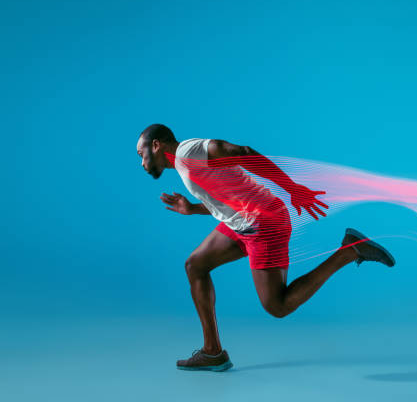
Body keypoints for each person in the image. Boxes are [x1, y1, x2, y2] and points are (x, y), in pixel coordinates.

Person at [136, 123, 396, 371]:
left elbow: (243, 152)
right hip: (241, 222)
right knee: (195, 265)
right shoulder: (185, 164)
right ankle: (212, 352)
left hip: (263, 223)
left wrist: (292, 188)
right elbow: (225, 197)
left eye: (141, 153)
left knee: (277, 306)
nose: (141, 162)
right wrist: (191, 208)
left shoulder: (188, 151)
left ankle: (350, 251)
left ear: (156, 145)